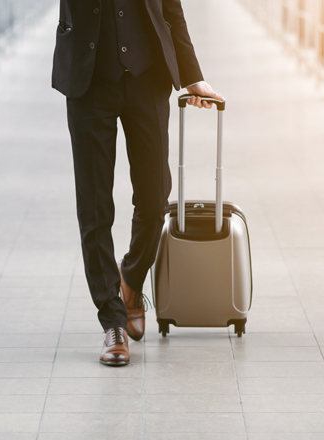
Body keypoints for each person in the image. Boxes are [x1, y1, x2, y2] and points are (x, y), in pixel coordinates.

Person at [52, 0, 222, 366]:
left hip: (148, 76)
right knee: (95, 205)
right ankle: (112, 320)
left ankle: (131, 275)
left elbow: (170, 9)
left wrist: (191, 74)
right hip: (89, 76)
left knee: (155, 195)